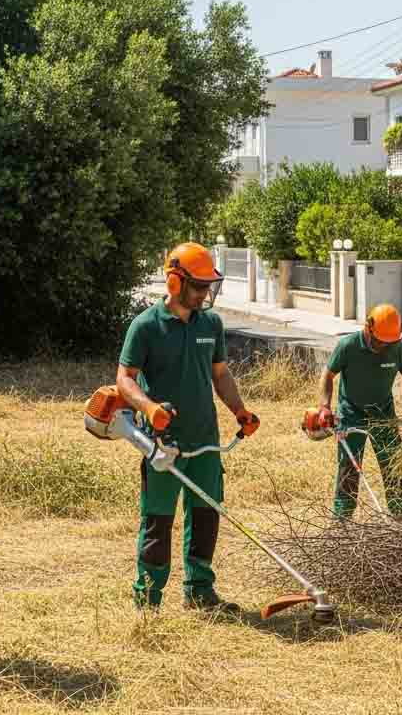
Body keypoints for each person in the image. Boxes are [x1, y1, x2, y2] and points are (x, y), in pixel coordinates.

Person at [116, 242, 259, 614]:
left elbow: (220, 374)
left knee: (206, 516)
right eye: (199, 286)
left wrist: (240, 411)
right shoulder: (146, 326)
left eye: (209, 286)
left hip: (205, 441)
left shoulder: (210, 324)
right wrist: (148, 407)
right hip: (164, 444)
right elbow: (124, 379)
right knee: (158, 521)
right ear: (175, 281)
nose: (205, 294)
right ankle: (147, 598)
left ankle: (199, 590)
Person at [317, 304, 402, 518]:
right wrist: (324, 407)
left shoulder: (396, 348)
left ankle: (401, 513)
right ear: (368, 328)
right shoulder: (348, 346)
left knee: (393, 464)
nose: (383, 345)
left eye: (388, 342)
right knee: (349, 467)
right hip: (351, 414)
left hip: (384, 414)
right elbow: (327, 375)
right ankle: (342, 517)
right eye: (379, 340)